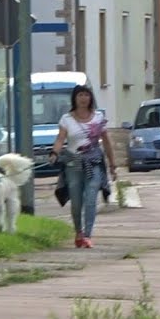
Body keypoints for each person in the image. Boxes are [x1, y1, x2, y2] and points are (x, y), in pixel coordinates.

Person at [49, 84, 117, 249]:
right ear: (75, 98)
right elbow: (60, 139)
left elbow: (106, 142)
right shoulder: (66, 119)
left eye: (86, 95)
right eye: (80, 95)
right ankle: (78, 232)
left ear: (91, 98)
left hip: (93, 163)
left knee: (91, 197)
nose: (83, 98)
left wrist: (112, 164)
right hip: (73, 164)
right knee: (77, 202)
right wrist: (54, 153)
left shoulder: (98, 118)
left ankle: (87, 235)